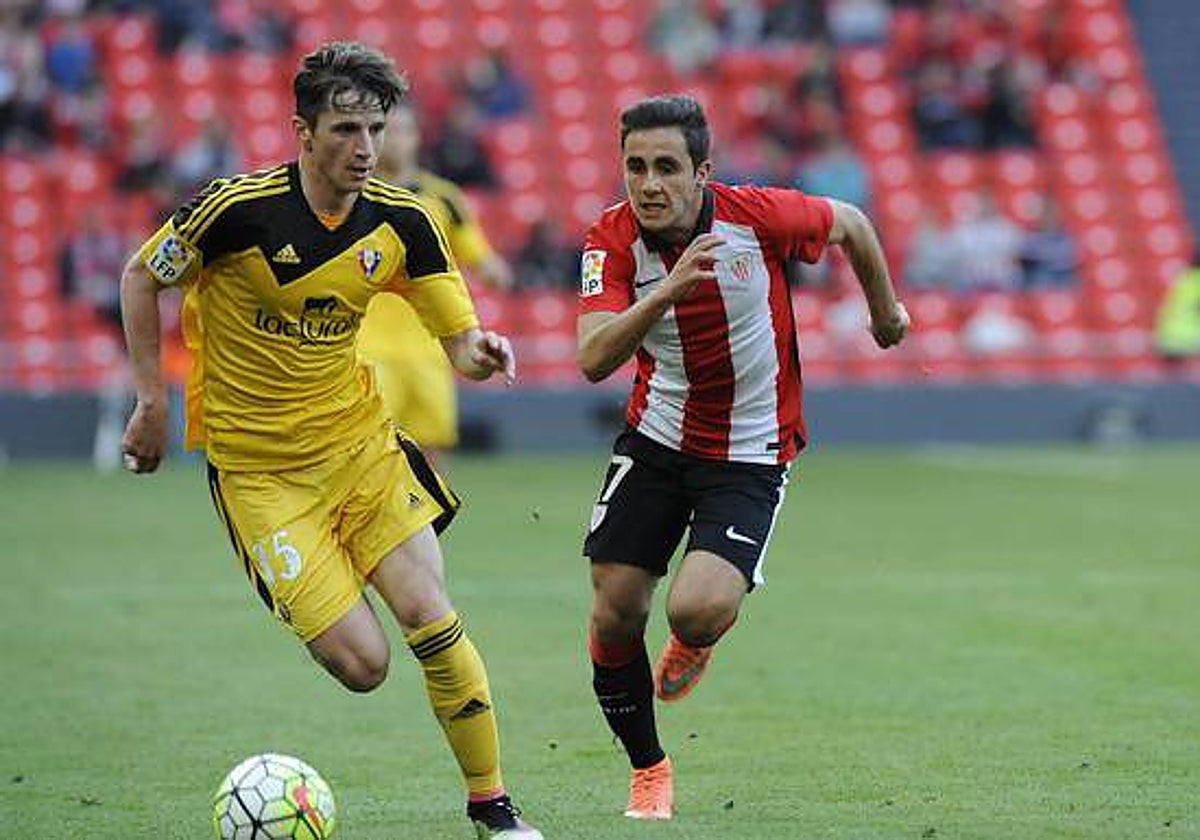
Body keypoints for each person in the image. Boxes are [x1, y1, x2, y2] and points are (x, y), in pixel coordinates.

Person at [119, 42, 541, 840]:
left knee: (431, 616)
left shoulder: (406, 221)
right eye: (346, 128)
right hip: (261, 477)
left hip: (360, 452)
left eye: (376, 128)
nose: (366, 147)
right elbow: (142, 276)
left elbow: (459, 340)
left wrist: (481, 352)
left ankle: (495, 809)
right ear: (303, 133)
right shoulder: (234, 210)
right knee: (365, 666)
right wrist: (150, 401)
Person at [575, 94, 908, 820]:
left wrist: (885, 311)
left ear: (703, 172)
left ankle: (696, 640)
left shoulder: (757, 217)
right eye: (636, 166)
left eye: (667, 167)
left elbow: (853, 224)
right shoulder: (611, 238)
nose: (650, 183)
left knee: (695, 611)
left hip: (749, 452)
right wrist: (666, 290)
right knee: (614, 611)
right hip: (657, 440)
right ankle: (649, 767)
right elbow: (593, 357)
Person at [356, 101, 512, 456]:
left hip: (431, 348)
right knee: (369, 452)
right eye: (387, 131)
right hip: (368, 350)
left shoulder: (443, 198)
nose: (396, 140)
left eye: (403, 130)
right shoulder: (353, 197)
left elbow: (480, 257)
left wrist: (494, 271)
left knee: (430, 453)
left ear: (417, 137)